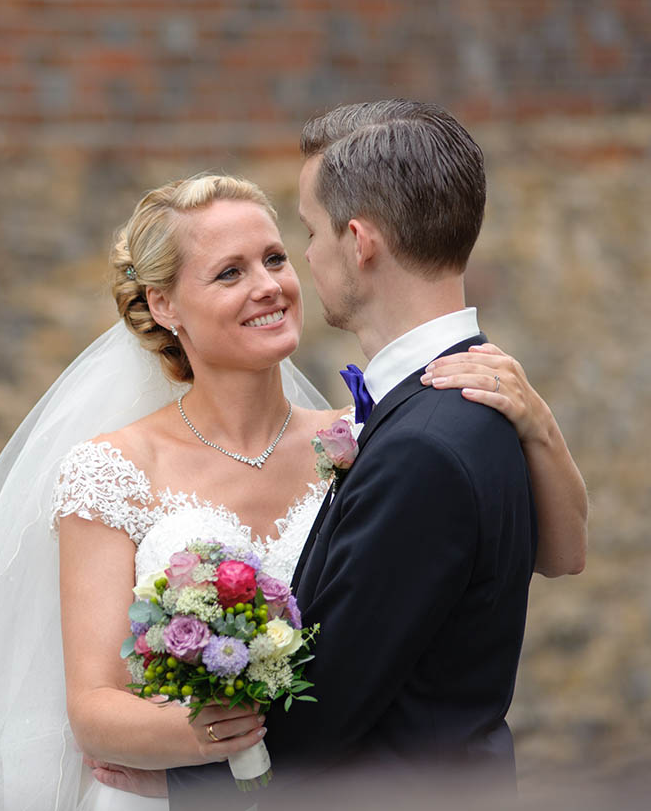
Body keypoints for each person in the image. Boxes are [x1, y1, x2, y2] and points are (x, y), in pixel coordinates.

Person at [0, 166, 586, 808]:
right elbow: (93, 705)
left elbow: (560, 554)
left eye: (276, 257)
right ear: (164, 305)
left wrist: (538, 425)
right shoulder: (113, 469)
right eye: (229, 273)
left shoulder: (365, 439)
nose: (268, 286)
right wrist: (214, 754)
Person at [156, 101, 579, 808]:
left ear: (360, 241)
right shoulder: (481, 394)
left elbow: (321, 720)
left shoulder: (421, 445)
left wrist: (158, 779)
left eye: (308, 233)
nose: (306, 258)